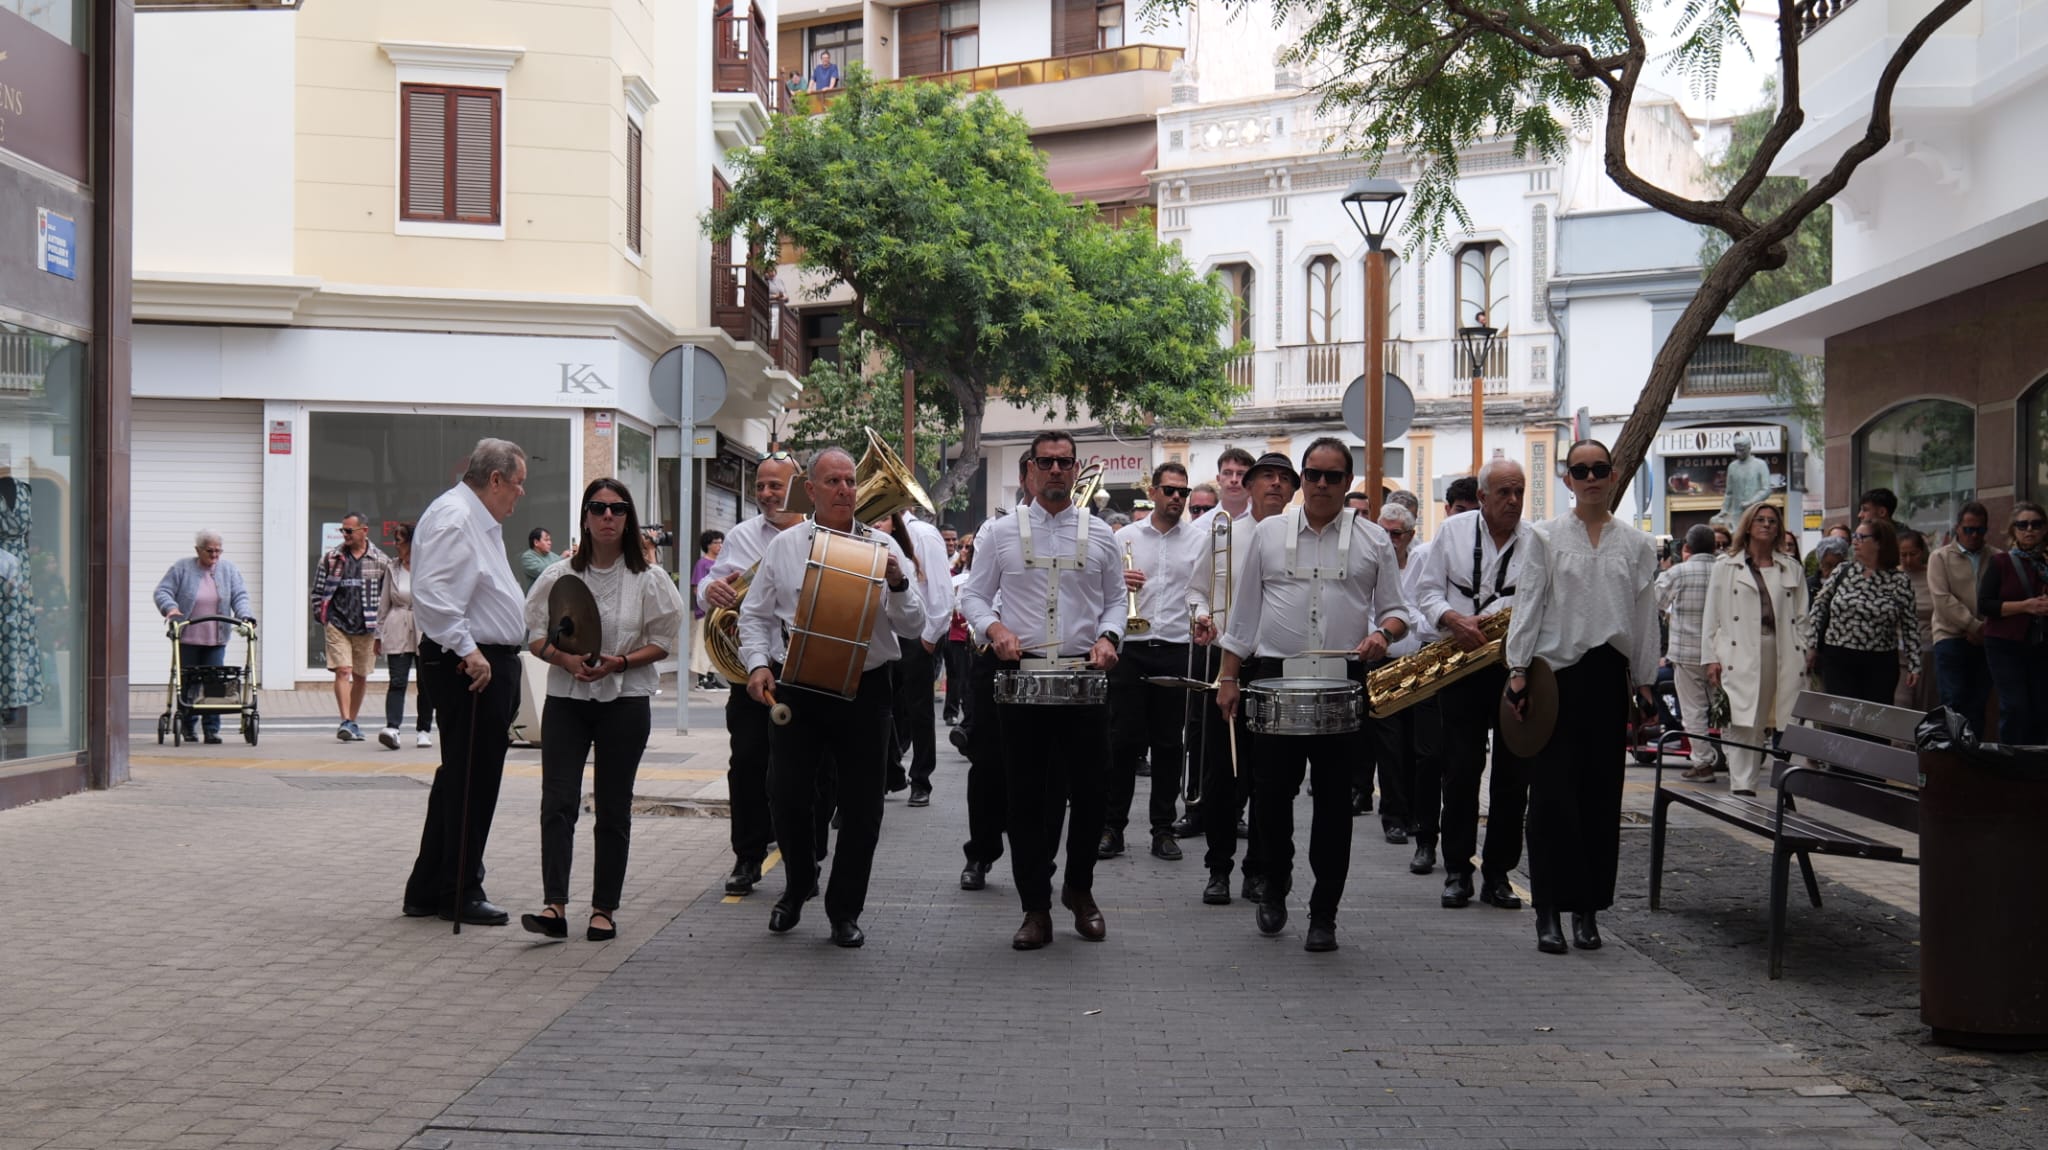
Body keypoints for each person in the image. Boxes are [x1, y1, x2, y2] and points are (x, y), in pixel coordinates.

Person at [1216, 438, 1409, 953]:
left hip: (1342, 682)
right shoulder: (1268, 534)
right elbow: (1244, 612)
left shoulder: (1373, 541)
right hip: (1276, 676)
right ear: (1302, 479)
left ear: (1348, 483)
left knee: (1334, 806)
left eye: (1332, 476)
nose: (1321, 485)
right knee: (1271, 797)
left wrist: (1382, 636)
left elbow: (1397, 611)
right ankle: (1274, 888)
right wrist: (1229, 677)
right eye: (1313, 475)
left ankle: (1325, 913)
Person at [741, 448, 923, 948]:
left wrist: (899, 582)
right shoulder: (785, 546)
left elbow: (914, 625)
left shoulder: (884, 547)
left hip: (866, 690)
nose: (845, 489)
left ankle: (845, 910)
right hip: (798, 684)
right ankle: (799, 884)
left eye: (850, 480)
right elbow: (755, 615)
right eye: (834, 481)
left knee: (864, 807)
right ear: (812, 491)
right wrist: (758, 664)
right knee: (788, 795)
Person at [959, 430, 1124, 950]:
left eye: (1064, 462)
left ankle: (1079, 889)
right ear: (1029, 469)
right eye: (1046, 462)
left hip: (1083, 680)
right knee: (1025, 798)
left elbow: (1116, 600)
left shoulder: (1101, 534)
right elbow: (974, 596)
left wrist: (1108, 636)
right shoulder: (998, 533)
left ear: (1076, 470)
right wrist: (995, 630)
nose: (1055, 470)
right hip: (1021, 680)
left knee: (1093, 795)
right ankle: (1035, 906)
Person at [1505, 439, 1660, 955]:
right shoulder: (1545, 537)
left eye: (1599, 469)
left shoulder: (1637, 545)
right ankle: (1547, 908)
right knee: (1550, 800)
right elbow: (1528, 601)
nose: (1590, 477)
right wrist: (1518, 668)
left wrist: (1644, 681)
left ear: (1613, 476)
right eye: (1580, 469)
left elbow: (1642, 617)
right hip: (1555, 678)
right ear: (1567, 478)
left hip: (1607, 678)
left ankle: (1588, 910)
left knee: (1599, 797)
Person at [520, 479, 685, 943]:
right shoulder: (557, 575)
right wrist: (565, 659)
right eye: (598, 508)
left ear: (628, 518)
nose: (607, 516)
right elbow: (535, 635)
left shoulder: (649, 579)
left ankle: (603, 910)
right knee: (558, 803)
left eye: (617, 509)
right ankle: (554, 906)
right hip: (567, 702)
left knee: (613, 809)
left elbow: (663, 642)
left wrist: (621, 663)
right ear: (585, 518)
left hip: (625, 703)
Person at [401, 439, 530, 926]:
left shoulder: (475, 518)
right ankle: (459, 889)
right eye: (516, 485)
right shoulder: (456, 518)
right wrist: (471, 653)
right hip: (469, 664)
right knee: (473, 781)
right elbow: (433, 595)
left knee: (460, 778)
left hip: (478, 658)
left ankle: (429, 887)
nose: (519, 496)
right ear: (495, 479)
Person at [1412, 461, 1529, 909]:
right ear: (1481, 497)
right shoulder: (1453, 532)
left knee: (1512, 778)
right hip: (1461, 661)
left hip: (1514, 667)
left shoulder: (1536, 539)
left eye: (1518, 491)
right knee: (1460, 771)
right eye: (1503, 492)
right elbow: (1426, 592)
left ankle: (1498, 874)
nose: (1513, 500)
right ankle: (1458, 870)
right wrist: (1451, 618)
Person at [1188, 452, 1294, 905]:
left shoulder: (1300, 538)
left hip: (1279, 668)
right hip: (1228, 664)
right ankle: (1219, 868)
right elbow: (1196, 589)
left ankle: (1258, 870)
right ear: (1247, 487)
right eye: (1265, 477)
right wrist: (1201, 615)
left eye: (1283, 479)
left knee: (1270, 779)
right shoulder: (1225, 534)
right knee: (1222, 775)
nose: (1274, 485)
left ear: (1294, 490)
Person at [698, 453, 805, 897]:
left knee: (805, 767)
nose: (765, 494)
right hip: (752, 669)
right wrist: (711, 589)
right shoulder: (742, 535)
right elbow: (712, 593)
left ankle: (805, 852)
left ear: (799, 487)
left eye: (775, 486)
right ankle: (747, 855)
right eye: (760, 486)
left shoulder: (822, 533)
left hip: (807, 667)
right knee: (746, 762)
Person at [1103, 463, 1196, 862]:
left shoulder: (1199, 540)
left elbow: (1206, 589)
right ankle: (1112, 827)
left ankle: (1163, 829)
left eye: (1183, 492)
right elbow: (1101, 588)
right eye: (1169, 490)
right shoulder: (1123, 537)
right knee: (1122, 743)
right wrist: (1119, 582)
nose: (1177, 498)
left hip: (1175, 646)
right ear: (1153, 493)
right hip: (1131, 647)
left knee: (1169, 745)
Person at [1703, 502, 1810, 796]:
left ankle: (1780, 789)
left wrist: (1805, 648)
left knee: (1778, 720)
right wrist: (1710, 658)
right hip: (1739, 651)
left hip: (1782, 650)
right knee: (1742, 720)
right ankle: (1742, 786)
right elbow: (1711, 615)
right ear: (1748, 525)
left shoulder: (1791, 567)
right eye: (1760, 520)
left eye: (1772, 521)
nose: (1766, 525)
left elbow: (1802, 616)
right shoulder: (1726, 566)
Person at [153, 530, 254, 744]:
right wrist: (171, 609)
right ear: (198, 550)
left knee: (214, 684)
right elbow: (162, 591)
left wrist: (245, 616)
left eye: (218, 550)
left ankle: (211, 729)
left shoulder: (228, 570)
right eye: (210, 550)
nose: (215, 554)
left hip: (215, 639)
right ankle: (188, 727)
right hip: (188, 636)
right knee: (188, 682)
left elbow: (240, 595)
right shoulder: (182, 568)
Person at [1807, 517, 1918, 705]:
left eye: (1861, 537)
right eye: (1854, 536)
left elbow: (1909, 624)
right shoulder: (1843, 571)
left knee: (1873, 725)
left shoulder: (1899, 580)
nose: (1855, 541)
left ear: (1879, 543)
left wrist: (1915, 664)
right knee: (1840, 721)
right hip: (1838, 658)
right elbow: (1819, 607)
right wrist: (1811, 646)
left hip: (1879, 663)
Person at [1363, 502, 1421, 840]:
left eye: (1395, 534)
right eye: (1382, 532)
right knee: (1389, 745)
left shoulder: (1422, 562)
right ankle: (1393, 815)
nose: (1387, 539)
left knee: (1420, 746)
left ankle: (1416, 811)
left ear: (1409, 536)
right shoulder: (1370, 561)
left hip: (1416, 660)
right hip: (1382, 661)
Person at [890, 509, 953, 807]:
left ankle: (921, 780)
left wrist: (928, 638)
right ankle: (889, 773)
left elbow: (941, 591)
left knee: (919, 712)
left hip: (915, 635)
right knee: (882, 710)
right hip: (882, 636)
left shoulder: (924, 535)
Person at [311, 511, 390, 742]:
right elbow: (317, 591)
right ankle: (345, 720)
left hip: (367, 626)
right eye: (342, 530)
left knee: (361, 675)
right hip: (337, 624)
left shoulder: (381, 561)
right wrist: (322, 616)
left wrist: (381, 629)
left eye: (349, 530)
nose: (344, 534)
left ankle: (352, 721)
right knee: (343, 671)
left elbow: (386, 597)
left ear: (364, 531)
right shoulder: (331, 558)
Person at [1976, 503, 2048, 745]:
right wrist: (2025, 606)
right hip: (2004, 644)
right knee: (2015, 707)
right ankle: (2009, 764)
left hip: (2040, 644)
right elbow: (1984, 605)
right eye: (2023, 524)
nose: (2030, 530)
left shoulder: (2046, 564)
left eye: (2037, 524)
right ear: (2013, 530)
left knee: (2041, 707)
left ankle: (2036, 768)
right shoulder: (2001, 562)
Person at [1656, 525, 1721, 784]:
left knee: (1694, 710)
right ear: (1715, 547)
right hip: (1720, 654)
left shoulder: (1678, 572)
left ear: (1687, 548)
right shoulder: (1724, 571)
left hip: (1686, 653)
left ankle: (1703, 764)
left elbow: (1656, 601)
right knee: (1725, 710)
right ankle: (1735, 760)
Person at [1928, 501, 1993, 734]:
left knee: (1978, 703)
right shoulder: (1940, 557)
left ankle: (1973, 759)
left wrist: (1984, 630)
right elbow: (1942, 599)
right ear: (1957, 528)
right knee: (1954, 702)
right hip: (1951, 637)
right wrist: (1973, 626)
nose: (1974, 535)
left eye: (1980, 530)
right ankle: (1954, 759)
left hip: (1986, 639)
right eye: (1968, 529)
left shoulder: (1996, 557)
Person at [375, 522, 435, 751]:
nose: (395, 545)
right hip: (397, 625)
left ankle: (424, 730)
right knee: (397, 680)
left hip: (424, 627)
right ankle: (392, 728)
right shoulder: (393, 567)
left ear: (411, 542)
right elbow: (384, 602)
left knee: (426, 683)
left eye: (399, 540)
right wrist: (378, 634)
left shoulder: (427, 566)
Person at [1894, 528, 1937, 710]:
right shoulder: (1892, 577)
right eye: (1903, 555)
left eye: (1913, 554)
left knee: (1926, 704)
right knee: (1901, 703)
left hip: (1928, 651)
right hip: (1899, 652)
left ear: (1922, 552)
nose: (1908, 560)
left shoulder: (1933, 575)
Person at [689, 530, 725, 690]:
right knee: (702, 644)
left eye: (721, 542)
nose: (720, 546)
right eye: (716, 542)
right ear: (708, 545)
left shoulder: (721, 563)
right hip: (706, 611)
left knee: (715, 645)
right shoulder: (702, 564)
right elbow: (697, 588)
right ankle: (701, 678)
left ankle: (711, 676)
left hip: (720, 612)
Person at [1717, 433, 1773, 528]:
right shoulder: (1732, 466)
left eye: (1741, 450)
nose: (1738, 453)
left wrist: (1751, 502)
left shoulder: (1760, 465)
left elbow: (1766, 489)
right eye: (1736, 450)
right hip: (1736, 514)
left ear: (1749, 448)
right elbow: (1729, 493)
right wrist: (1724, 510)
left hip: (1755, 511)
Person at [1215, 447, 1255, 520]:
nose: (1234, 480)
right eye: (1227, 473)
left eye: (1241, 474)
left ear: (1251, 481)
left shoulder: (1262, 523)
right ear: (1218, 479)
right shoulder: (1200, 526)